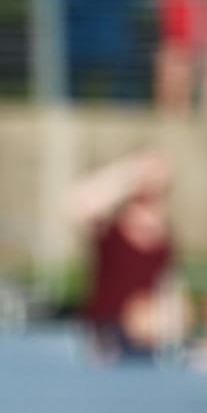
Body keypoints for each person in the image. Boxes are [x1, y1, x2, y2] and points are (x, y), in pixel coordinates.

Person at [68, 150, 189, 363]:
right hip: (106, 335)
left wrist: (172, 322)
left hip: (151, 339)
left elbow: (168, 285)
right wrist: (129, 172)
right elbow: (77, 203)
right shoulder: (111, 227)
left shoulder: (165, 235)